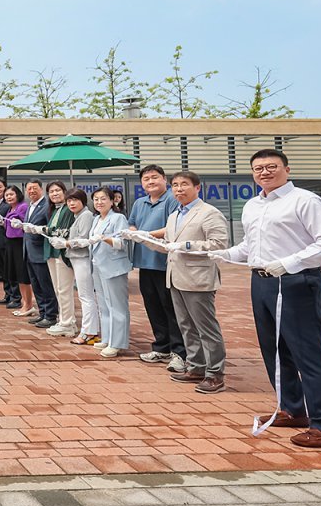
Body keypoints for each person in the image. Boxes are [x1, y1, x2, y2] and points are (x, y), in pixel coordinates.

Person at [213, 150, 321, 448]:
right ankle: (293, 409)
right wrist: (222, 254)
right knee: (274, 349)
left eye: (271, 166)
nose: (265, 172)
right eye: (258, 168)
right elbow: (250, 246)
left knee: (308, 353)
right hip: (262, 282)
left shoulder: (305, 201)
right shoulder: (253, 205)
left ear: (287, 169)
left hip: (296, 282)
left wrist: (289, 263)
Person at [145, 171, 230, 394]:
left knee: (206, 328)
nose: (179, 189)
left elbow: (219, 244)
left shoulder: (209, 213)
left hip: (198, 278)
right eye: (175, 185)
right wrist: (145, 240)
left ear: (197, 187)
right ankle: (196, 367)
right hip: (175, 277)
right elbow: (169, 245)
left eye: (184, 184)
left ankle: (215, 374)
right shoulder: (175, 215)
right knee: (186, 326)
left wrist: (187, 246)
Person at [128, 166, 185, 373]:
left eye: (154, 177)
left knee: (171, 307)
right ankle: (161, 347)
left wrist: (146, 234)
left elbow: (173, 227)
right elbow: (132, 223)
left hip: (165, 263)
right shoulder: (139, 202)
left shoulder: (171, 199)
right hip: (145, 262)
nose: (150, 182)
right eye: (146, 179)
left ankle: (180, 352)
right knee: (153, 307)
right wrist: (134, 232)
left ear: (164, 180)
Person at [50, 189, 100, 346]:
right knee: (85, 296)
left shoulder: (86, 215)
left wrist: (65, 243)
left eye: (75, 200)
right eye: (69, 201)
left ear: (83, 201)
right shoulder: (77, 215)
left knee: (86, 297)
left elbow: (84, 239)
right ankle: (90, 331)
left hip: (82, 259)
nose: (71, 203)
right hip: (76, 259)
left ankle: (88, 332)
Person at [87, 187, 132, 359]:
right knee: (104, 304)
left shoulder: (118, 218)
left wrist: (104, 238)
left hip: (114, 266)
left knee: (117, 305)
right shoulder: (96, 219)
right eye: (96, 199)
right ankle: (107, 338)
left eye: (103, 198)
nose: (99, 202)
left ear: (112, 201)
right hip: (97, 265)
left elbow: (122, 243)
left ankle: (117, 343)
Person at [19, 179, 59, 328]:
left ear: (41, 189)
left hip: (41, 252)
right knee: (36, 285)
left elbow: (51, 228)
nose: (31, 191)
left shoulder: (47, 206)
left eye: (34, 188)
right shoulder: (30, 206)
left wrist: (37, 229)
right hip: (29, 252)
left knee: (45, 285)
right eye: (29, 189)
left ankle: (51, 315)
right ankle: (43, 313)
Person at [42, 181, 77, 336]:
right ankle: (64, 320)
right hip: (52, 252)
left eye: (57, 190)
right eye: (51, 191)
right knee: (58, 289)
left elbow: (64, 230)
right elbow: (52, 229)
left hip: (63, 253)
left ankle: (68, 323)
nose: (54, 194)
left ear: (64, 191)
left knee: (64, 289)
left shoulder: (69, 209)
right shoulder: (55, 210)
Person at [2, 186, 34, 316]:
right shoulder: (10, 208)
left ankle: (29, 304)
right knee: (16, 275)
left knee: (23, 276)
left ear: (18, 194)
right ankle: (25, 303)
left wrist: (14, 219)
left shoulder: (23, 207)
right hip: (10, 243)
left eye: (11, 194)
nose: (9, 197)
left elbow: (23, 222)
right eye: (7, 195)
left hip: (19, 243)